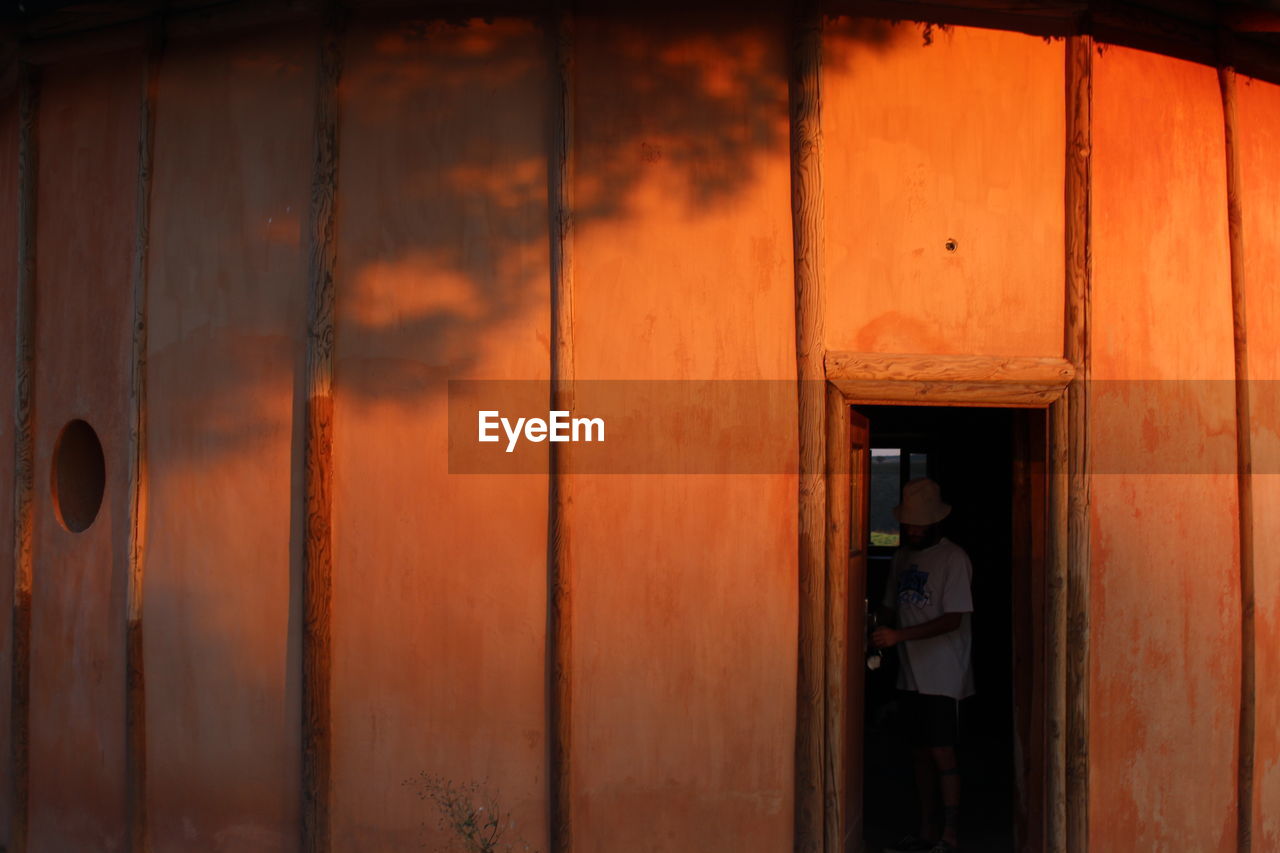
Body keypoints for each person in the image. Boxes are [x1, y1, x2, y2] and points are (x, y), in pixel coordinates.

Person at [872, 477, 975, 853]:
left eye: (919, 523)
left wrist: (898, 637)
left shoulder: (953, 558)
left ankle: (950, 835)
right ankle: (927, 830)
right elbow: (889, 607)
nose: (913, 529)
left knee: (941, 751)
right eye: (908, 523)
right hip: (909, 672)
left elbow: (953, 619)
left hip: (943, 672)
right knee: (918, 752)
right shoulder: (902, 557)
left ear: (935, 523)